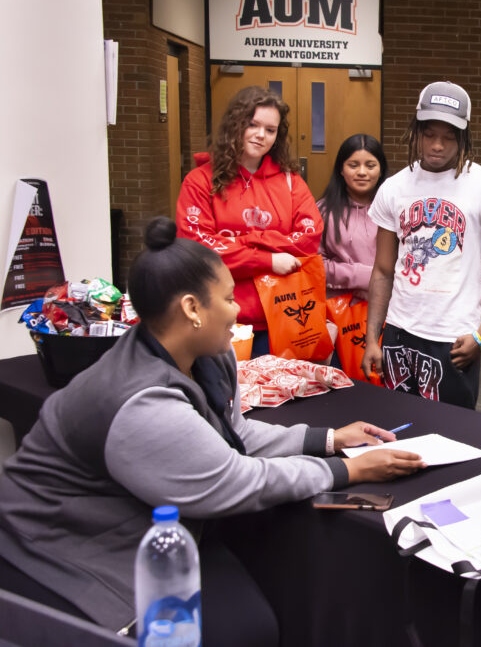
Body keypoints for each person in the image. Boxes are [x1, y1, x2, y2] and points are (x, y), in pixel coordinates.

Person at [0, 217, 424, 646]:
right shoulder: (141, 403)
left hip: (148, 527)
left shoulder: (205, 356)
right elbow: (235, 479)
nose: (238, 309)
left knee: (254, 620)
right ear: (191, 309)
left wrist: (328, 440)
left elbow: (233, 435)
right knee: (242, 629)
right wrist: (349, 472)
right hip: (58, 551)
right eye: (227, 298)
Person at [362, 82, 481, 409]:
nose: (437, 145)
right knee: (396, 428)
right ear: (415, 132)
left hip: (454, 339)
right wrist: (371, 339)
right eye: (429, 134)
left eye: (449, 136)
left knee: (453, 438)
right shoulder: (394, 188)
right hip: (399, 333)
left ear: (464, 137)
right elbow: (382, 270)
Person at [176, 85, 323, 358]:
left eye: (270, 130)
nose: (261, 135)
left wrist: (241, 242)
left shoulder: (291, 181)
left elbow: (308, 238)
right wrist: (268, 261)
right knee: (226, 399)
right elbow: (197, 249)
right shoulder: (200, 181)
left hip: (282, 320)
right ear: (235, 124)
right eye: (252, 125)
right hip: (218, 322)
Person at [318, 133, 389, 302]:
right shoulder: (323, 211)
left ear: (381, 170)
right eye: (353, 165)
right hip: (339, 312)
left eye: (370, 166)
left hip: (387, 309)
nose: (362, 172)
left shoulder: (394, 211)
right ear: (341, 169)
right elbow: (314, 265)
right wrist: (364, 277)